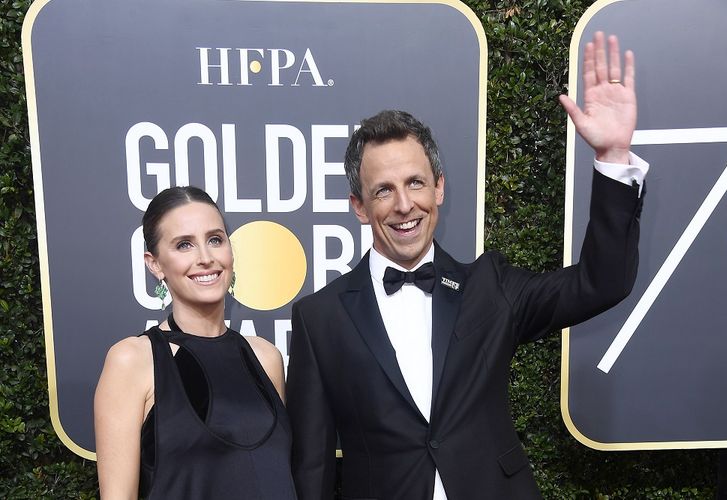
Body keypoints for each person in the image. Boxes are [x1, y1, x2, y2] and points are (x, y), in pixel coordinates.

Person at [286, 32, 647, 499]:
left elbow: (603, 282)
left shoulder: (490, 286)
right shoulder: (320, 318)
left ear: (438, 188)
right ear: (359, 205)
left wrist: (613, 157)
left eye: (416, 183)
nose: (403, 205)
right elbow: (311, 465)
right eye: (383, 190)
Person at [94, 186, 296, 499]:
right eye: (184, 245)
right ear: (155, 264)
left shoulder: (266, 357)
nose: (205, 258)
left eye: (215, 239)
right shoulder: (133, 360)